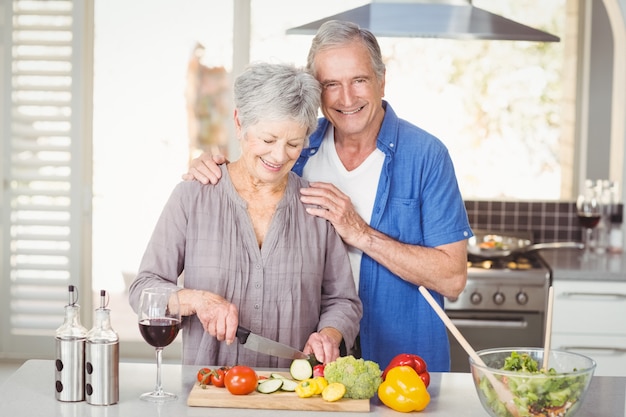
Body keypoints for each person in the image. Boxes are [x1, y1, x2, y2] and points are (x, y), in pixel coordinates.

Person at [183, 20, 473, 372]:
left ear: (382, 79)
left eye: (359, 80)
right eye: (330, 84)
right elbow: (254, 165)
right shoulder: (296, 150)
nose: (346, 98)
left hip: (404, 356)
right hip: (315, 354)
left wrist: (361, 233)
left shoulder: (427, 156)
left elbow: (453, 278)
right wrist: (210, 167)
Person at [129, 62, 363, 368]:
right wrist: (196, 299)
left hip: (293, 397)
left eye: (294, 144)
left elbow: (343, 301)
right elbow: (144, 288)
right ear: (239, 123)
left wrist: (329, 335)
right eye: (267, 140)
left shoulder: (318, 208)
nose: (279, 156)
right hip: (210, 394)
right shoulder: (193, 196)